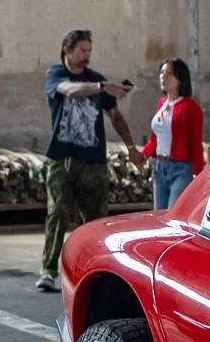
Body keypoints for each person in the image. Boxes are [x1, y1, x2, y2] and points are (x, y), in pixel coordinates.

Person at [39, 29, 138, 292]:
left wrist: (131, 147)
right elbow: (70, 91)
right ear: (67, 51)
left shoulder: (96, 79)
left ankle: (91, 272)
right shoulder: (56, 75)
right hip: (63, 160)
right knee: (57, 213)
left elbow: (115, 116)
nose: (86, 56)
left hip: (93, 162)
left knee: (95, 220)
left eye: (89, 51)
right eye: (81, 50)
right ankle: (49, 270)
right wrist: (102, 87)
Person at [141, 57, 205, 210]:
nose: (163, 77)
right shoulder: (162, 103)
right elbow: (156, 138)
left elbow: (195, 143)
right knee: (159, 216)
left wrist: (197, 174)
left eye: (169, 74)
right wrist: (142, 154)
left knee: (173, 216)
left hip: (181, 169)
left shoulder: (190, 107)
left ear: (180, 79)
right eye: (162, 73)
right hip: (160, 167)